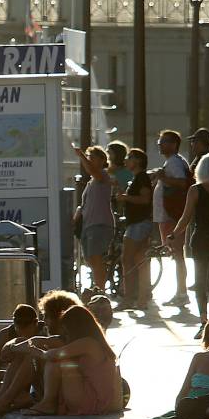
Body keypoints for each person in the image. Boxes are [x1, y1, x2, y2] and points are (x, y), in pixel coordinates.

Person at [0, 290, 82, 419]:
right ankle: (4, 400)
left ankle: (5, 401)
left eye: (47, 316)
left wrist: (13, 345)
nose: (45, 321)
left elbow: (35, 343)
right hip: (44, 389)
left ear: (59, 317)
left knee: (32, 354)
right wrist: (13, 345)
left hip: (64, 394)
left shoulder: (69, 339)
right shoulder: (7, 333)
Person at [167, 152, 209, 333]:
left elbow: (186, 217)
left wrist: (173, 234)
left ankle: (204, 321)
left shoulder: (196, 190)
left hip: (201, 238)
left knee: (200, 282)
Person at [17, 305, 121, 417]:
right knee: (51, 360)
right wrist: (17, 346)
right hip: (93, 398)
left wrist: (33, 351)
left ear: (76, 327)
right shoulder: (94, 342)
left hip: (94, 401)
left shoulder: (88, 343)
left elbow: (55, 355)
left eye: (66, 330)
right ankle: (39, 400)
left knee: (59, 361)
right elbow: (45, 341)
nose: (65, 334)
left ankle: (48, 403)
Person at [154, 129, 193, 308]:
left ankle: (181, 293)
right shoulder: (174, 161)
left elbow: (182, 183)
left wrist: (163, 178)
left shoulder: (175, 163)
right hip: (169, 215)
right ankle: (180, 292)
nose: (160, 145)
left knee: (177, 254)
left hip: (172, 216)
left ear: (173, 144)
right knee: (176, 255)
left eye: (163, 142)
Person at [116, 147, 155, 306]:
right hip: (138, 223)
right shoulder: (137, 178)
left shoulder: (141, 178)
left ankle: (129, 298)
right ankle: (142, 298)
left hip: (138, 223)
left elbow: (145, 199)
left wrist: (125, 197)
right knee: (140, 259)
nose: (126, 160)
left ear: (138, 161)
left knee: (127, 259)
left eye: (129, 157)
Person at [75, 146, 116, 294]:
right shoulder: (90, 182)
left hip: (100, 224)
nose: (89, 160)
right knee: (91, 259)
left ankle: (100, 291)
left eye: (92, 157)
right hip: (88, 225)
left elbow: (94, 172)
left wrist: (81, 156)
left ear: (102, 160)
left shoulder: (103, 176)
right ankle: (97, 288)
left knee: (97, 258)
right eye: (88, 157)